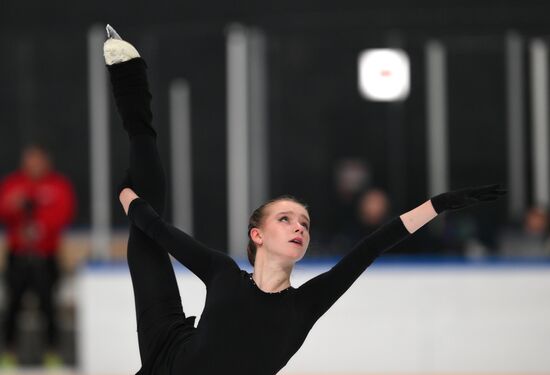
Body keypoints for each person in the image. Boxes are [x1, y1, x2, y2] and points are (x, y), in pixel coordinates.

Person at [104, 25, 506, 375]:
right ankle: (130, 81)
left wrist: (437, 204)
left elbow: (372, 247)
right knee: (146, 242)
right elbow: (158, 230)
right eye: (286, 219)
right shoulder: (223, 273)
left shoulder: (306, 305)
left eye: (304, 224)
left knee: (145, 218)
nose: (299, 226)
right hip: (167, 350)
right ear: (257, 235)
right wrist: (130, 200)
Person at [0, 144, 76, 368]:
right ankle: (8, 356)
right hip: (19, 256)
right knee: (12, 305)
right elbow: (3, 210)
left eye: (37, 160)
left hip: (46, 256)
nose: (33, 165)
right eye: (28, 160)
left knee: (49, 306)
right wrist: (14, 205)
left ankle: (52, 356)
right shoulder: (14, 184)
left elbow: (64, 214)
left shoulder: (58, 185)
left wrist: (41, 227)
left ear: (46, 161)